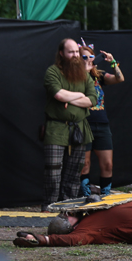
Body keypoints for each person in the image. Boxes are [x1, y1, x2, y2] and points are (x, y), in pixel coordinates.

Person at [42, 39, 97, 210]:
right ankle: (49, 208)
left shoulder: (84, 74)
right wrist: (80, 95)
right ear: (62, 53)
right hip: (56, 128)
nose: (75, 55)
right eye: (70, 52)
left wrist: (70, 98)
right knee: (53, 173)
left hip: (79, 129)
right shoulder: (53, 71)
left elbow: (92, 100)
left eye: (76, 52)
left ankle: (68, 210)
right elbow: (58, 95)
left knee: (73, 173)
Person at [78, 43, 123, 197]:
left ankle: (105, 197)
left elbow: (120, 78)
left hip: (102, 124)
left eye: (91, 56)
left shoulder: (99, 76)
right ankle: (85, 197)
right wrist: (85, 70)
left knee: (108, 164)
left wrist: (113, 62)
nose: (88, 59)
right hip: (84, 124)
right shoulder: (75, 77)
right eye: (84, 57)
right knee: (85, 164)